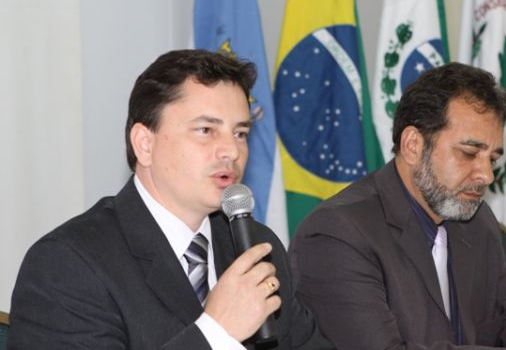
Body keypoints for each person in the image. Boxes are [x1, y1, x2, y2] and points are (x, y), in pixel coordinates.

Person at [8, 49, 333, 350]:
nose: (232, 151)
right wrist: (216, 332)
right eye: (206, 130)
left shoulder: (256, 247)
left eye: (240, 133)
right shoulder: (68, 265)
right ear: (144, 144)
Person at [289, 62, 506, 350]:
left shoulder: (475, 220)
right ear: (413, 145)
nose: (486, 176)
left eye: (492, 159)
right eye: (469, 153)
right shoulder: (337, 234)